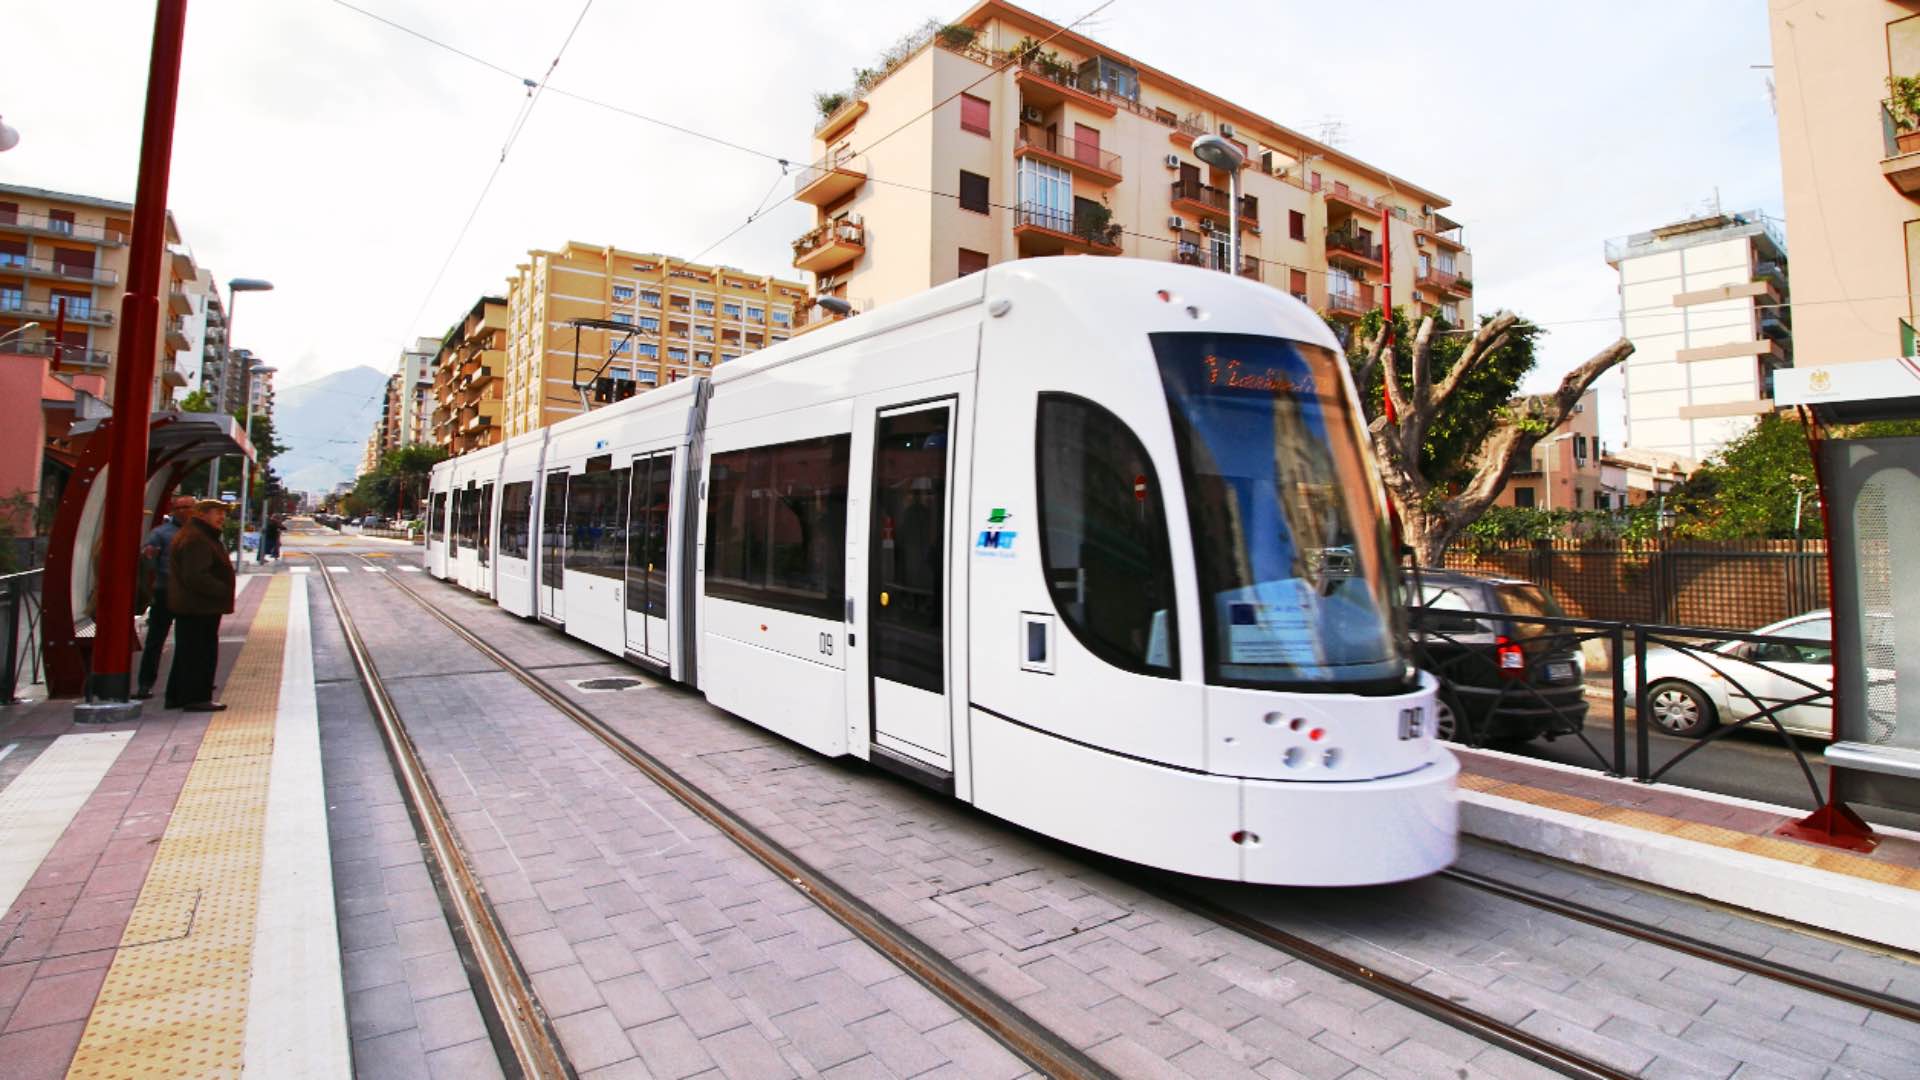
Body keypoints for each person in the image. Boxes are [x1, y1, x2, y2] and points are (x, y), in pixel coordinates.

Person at [166, 499, 236, 712]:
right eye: (217, 512)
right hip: (199, 606)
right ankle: (197, 697)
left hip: (195, 605)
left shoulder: (198, 535)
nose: (222, 517)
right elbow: (195, 576)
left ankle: (179, 695)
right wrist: (222, 590)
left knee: (188, 651)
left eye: (224, 513)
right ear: (202, 514)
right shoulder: (197, 539)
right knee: (200, 652)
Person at [133, 495, 195, 700]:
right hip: (165, 591)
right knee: (155, 640)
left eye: (189, 507)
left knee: (189, 640)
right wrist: (149, 556)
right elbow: (148, 559)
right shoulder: (160, 533)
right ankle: (145, 683)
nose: (186, 511)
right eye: (181, 507)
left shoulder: (198, 532)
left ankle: (187, 682)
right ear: (174, 510)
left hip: (189, 593)